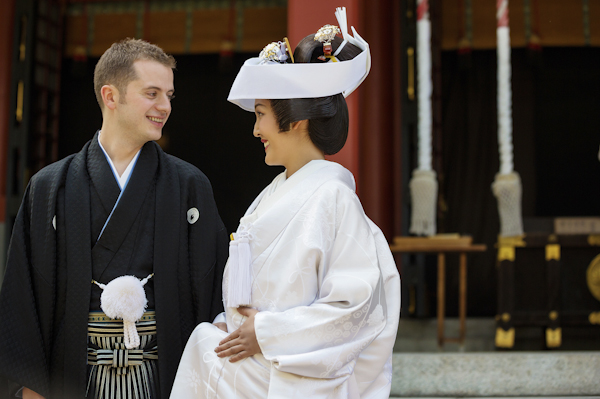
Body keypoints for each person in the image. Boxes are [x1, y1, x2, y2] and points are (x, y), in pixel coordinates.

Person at [170, 7, 401, 398]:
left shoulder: (334, 198)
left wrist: (266, 333)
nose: (256, 128)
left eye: (260, 115)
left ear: (295, 121)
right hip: (260, 363)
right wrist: (238, 326)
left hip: (293, 375)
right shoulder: (274, 195)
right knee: (204, 342)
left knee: (202, 346)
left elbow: (355, 310)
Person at [0, 38, 228, 399]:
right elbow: (23, 296)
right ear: (111, 96)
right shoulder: (49, 187)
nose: (165, 106)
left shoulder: (189, 186)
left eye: (169, 95)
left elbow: (215, 291)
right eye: (152, 93)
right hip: (73, 378)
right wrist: (31, 388)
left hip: (166, 380)